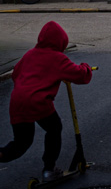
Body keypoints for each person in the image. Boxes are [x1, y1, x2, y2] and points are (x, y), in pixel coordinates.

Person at [0, 21, 92, 182]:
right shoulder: (58, 58)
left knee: (21, 143)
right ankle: (49, 170)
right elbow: (81, 76)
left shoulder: (29, 54)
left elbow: (15, 74)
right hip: (38, 102)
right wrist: (86, 67)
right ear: (61, 42)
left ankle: (2, 154)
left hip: (17, 101)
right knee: (54, 129)